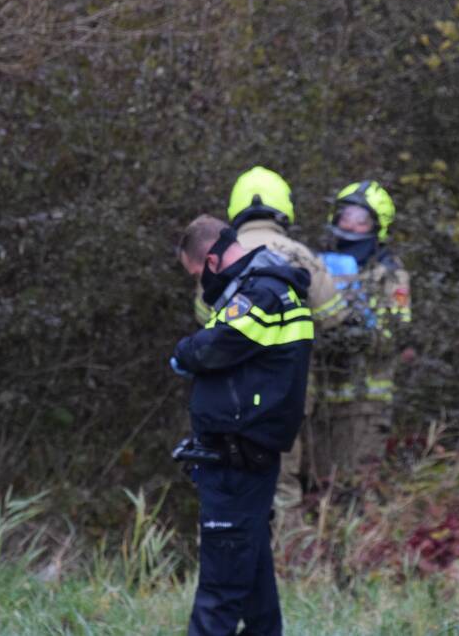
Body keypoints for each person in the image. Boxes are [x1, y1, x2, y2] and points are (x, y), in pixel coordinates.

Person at [172, 215, 313, 636]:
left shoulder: (261, 293)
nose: (200, 284)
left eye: (196, 274)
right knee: (253, 580)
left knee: (220, 589)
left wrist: (184, 352)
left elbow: (210, 348)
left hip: (238, 457)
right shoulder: (258, 287)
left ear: (212, 260)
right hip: (240, 452)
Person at [194, 166, 346, 501]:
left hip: (227, 393)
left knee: (227, 484)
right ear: (284, 206)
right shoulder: (300, 254)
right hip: (285, 391)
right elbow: (333, 316)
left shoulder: (218, 256)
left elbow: (204, 317)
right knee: (280, 481)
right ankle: (286, 534)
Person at [312, 181, 412, 479]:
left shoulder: (389, 274)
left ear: (377, 226)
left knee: (358, 481)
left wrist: (356, 329)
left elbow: (395, 331)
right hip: (322, 398)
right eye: (345, 216)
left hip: (365, 402)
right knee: (319, 482)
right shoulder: (319, 265)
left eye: (361, 220)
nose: (350, 225)